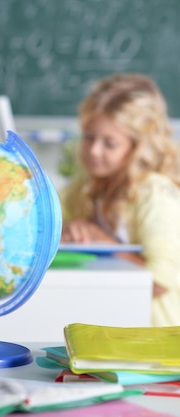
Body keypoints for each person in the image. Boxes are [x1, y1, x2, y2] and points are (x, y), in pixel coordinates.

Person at [60, 73, 180, 327]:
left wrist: (101, 242)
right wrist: (64, 232)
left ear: (137, 146)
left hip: (154, 341)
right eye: (89, 137)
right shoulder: (85, 187)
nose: (94, 151)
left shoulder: (156, 194)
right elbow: (47, 227)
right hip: (106, 329)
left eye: (109, 144)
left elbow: (160, 283)